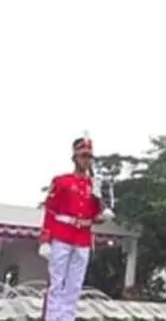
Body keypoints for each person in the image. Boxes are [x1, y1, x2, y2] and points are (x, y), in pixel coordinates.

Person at [39, 135, 113, 321]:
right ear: (75, 157)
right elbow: (50, 210)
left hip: (83, 239)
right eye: (83, 156)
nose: (86, 160)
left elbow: (97, 215)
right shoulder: (61, 181)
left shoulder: (94, 185)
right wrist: (45, 239)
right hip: (62, 235)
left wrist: (103, 216)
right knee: (57, 282)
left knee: (75, 284)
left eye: (89, 156)